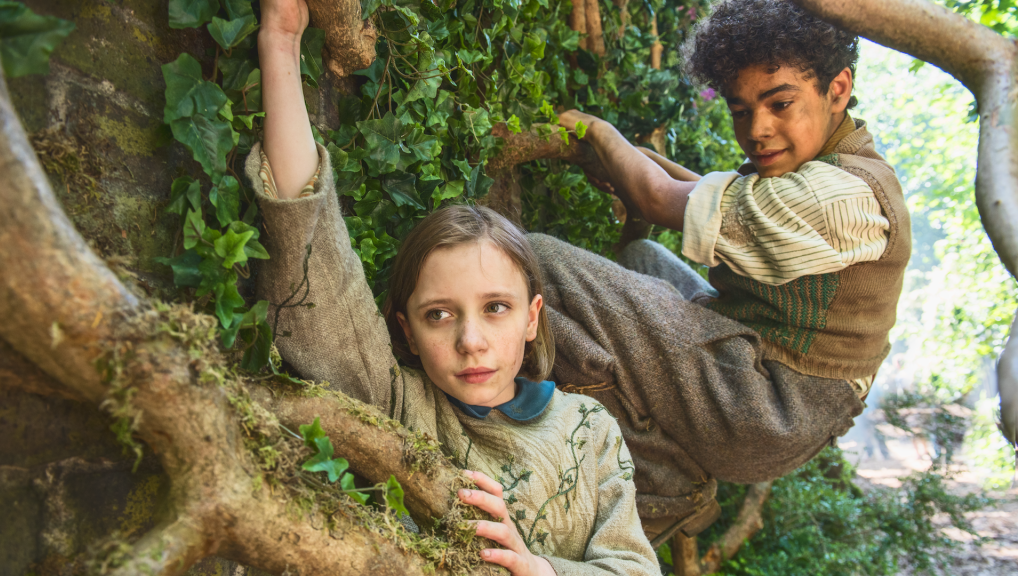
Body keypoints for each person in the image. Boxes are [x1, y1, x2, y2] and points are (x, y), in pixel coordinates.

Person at [251, 1, 660, 574]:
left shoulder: (589, 430)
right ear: (407, 331)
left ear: (532, 316)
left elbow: (635, 568)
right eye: (439, 315)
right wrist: (281, 41)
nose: (471, 340)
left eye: (496, 307)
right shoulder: (399, 405)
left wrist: (536, 568)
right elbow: (311, 250)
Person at [533, 0, 911, 544]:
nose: (758, 129)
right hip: (761, 371)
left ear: (838, 89)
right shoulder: (821, 166)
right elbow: (710, 194)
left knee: (542, 261)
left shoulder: (840, 196)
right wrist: (633, 159)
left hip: (770, 406)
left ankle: (667, 485)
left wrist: (597, 132)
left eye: (780, 104)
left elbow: (664, 198)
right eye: (740, 111)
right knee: (641, 261)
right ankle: (661, 450)